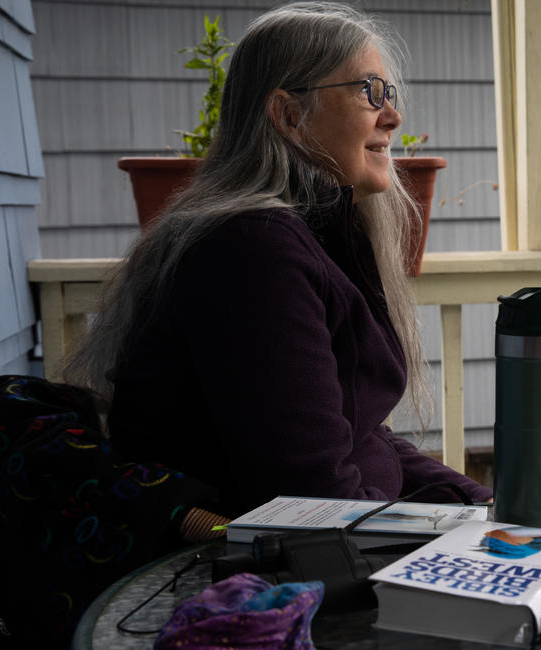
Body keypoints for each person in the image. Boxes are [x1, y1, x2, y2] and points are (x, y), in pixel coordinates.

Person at [64, 1, 492, 519]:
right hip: (257, 576)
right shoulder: (252, 250)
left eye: (390, 94)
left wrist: (481, 503)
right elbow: (313, 499)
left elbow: (358, 436)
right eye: (370, 92)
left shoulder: (314, 235)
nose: (393, 116)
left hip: (336, 543)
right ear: (290, 116)